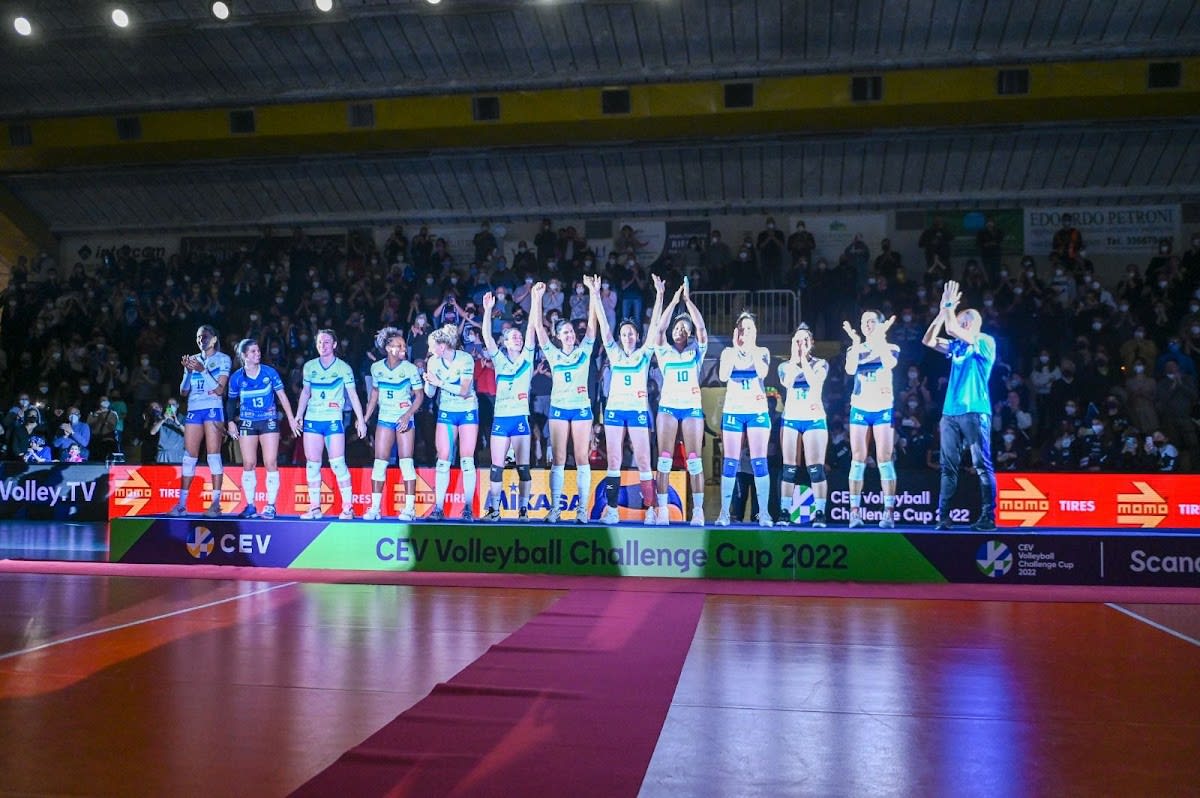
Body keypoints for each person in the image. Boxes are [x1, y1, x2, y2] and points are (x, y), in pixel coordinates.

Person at [922, 280, 997, 530]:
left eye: (964, 320)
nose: (959, 322)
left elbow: (952, 328)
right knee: (948, 467)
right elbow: (928, 340)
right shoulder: (956, 346)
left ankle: (988, 517)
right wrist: (942, 312)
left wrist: (949, 309)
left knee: (981, 465)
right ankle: (943, 516)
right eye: (959, 319)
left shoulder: (984, 341)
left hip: (975, 411)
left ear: (972, 324)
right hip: (950, 413)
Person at [591, 272, 664, 525]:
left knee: (644, 460)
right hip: (614, 411)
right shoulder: (614, 354)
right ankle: (612, 510)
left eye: (631, 334)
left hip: (637, 411)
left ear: (637, 336)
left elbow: (655, 327)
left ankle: (651, 510)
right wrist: (595, 295)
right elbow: (603, 327)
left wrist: (660, 295)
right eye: (624, 334)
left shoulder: (644, 355)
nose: (627, 337)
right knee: (614, 461)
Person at [533, 278, 599, 524]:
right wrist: (537, 298)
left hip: (581, 408)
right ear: (558, 336)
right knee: (558, 459)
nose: (570, 335)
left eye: (571, 331)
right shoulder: (553, 353)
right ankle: (555, 509)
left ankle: (582, 510)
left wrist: (593, 293)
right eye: (565, 332)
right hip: (559, 409)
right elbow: (539, 329)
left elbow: (592, 326)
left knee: (581, 457)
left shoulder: (584, 351)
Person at [292, 329, 369, 520]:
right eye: (319, 342)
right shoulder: (309, 366)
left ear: (334, 345)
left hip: (333, 420)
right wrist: (298, 416)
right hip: (312, 420)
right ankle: (315, 508)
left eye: (326, 342)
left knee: (338, 463)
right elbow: (305, 392)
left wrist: (361, 420)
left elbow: (353, 395)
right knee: (312, 464)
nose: (322, 346)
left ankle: (347, 508)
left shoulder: (343, 368)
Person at [652, 278, 708, 526]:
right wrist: (674, 300)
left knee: (694, 460)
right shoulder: (664, 352)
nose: (680, 330)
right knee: (664, 458)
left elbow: (701, 328)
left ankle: (698, 511)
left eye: (685, 328)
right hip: (668, 408)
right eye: (677, 327)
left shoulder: (696, 351)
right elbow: (659, 330)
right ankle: (662, 510)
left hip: (691, 408)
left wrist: (688, 301)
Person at [480, 285, 538, 521]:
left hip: (520, 418)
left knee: (523, 468)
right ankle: (494, 510)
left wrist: (536, 300)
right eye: (513, 336)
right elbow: (486, 337)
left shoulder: (527, 358)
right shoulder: (500, 361)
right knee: (497, 467)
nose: (518, 338)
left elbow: (531, 328)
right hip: (501, 419)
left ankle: (523, 510)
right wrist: (487, 310)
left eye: (519, 336)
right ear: (504, 342)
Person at [226, 339, 298, 520]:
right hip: (247, 421)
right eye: (253, 351)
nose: (257, 354)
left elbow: (282, 396)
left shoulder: (269, 372)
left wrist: (291, 418)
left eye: (258, 351)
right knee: (248, 463)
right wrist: (230, 421)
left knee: (270, 462)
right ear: (244, 355)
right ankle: (250, 506)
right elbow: (231, 402)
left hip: (268, 420)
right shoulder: (236, 377)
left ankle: (271, 506)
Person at [716, 312, 773, 527]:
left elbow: (762, 372)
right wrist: (735, 348)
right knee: (731, 462)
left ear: (755, 332)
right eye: (742, 329)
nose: (745, 332)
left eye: (750, 328)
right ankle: (724, 512)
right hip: (733, 411)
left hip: (757, 410)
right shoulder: (728, 352)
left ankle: (764, 513)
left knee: (759, 461)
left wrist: (750, 348)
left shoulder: (762, 352)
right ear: (736, 332)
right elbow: (723, 376)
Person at [843, 310, 899, 528]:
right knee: (858, 458)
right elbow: (850, 369)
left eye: (872, 321)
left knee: (884, 458)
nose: (867, 324)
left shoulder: (891, 347)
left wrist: (880, 339)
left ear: (881, 324)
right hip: (860, 407)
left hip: (883, 408)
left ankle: (888, 513)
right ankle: (854, 512)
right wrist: (856, 342)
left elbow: (889, 362)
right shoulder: (854, 348)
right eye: (864, 321)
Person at [362, 327, 424, 521]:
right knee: (379, 462)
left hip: (404, 418)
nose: (404, 349)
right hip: (385, 417)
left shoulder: (410, 369)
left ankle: (409, 509)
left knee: (406, 462)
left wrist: (407, 415)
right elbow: (374, 394)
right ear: (389, 348)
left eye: (404, 345)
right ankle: (375, 508)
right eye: (400, 345)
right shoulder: (376, 368)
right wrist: (365, 418)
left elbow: (419, 396)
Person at [169, 325, 231, 517]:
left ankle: (215, 504)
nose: (200, 340)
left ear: (214, 339)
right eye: (198, 337)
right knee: (189, 457)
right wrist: (188, 372)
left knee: (213, 455)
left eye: (204, 337)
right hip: (194, 409)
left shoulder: (223, 359)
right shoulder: (193, 359)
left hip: (213, 408)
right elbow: (183, 391)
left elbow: (219, 390)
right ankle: (181, 505)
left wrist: (203, 370)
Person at [423, 323, 479, 521]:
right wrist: (428, 382)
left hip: (467, 410)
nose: (429, 349)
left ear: (441, 346)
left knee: (467, 459)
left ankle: (468, 508)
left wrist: (440, 382)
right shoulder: (433, 362)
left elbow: (464, 391)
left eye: (431, 346)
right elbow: (430, 394)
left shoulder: (465, 359)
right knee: (443, 458)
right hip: (447, 411)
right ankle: (438, 508)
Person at [777, 324, 830, 527]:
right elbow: (788, 382)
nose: (801, 344)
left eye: (805, 341)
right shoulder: (785, 366)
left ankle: (820, 513)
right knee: (789, 468)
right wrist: (795, 359)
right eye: (797, 341)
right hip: (791, 419)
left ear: (812, 343)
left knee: (815, 469)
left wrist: (804, 360)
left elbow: (814, 382)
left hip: (814, 419)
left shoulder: (821, 364)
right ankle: (784, 511)